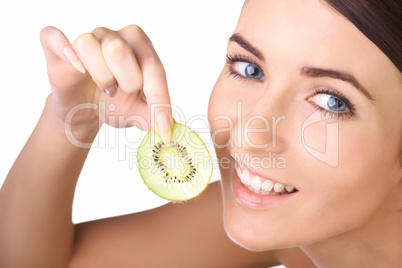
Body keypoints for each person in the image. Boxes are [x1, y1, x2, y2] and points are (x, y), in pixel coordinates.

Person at [0, 0, 401, 267]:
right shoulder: (303, 226)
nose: (248, 135)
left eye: (331, 101)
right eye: (249, 68)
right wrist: (70, 117)